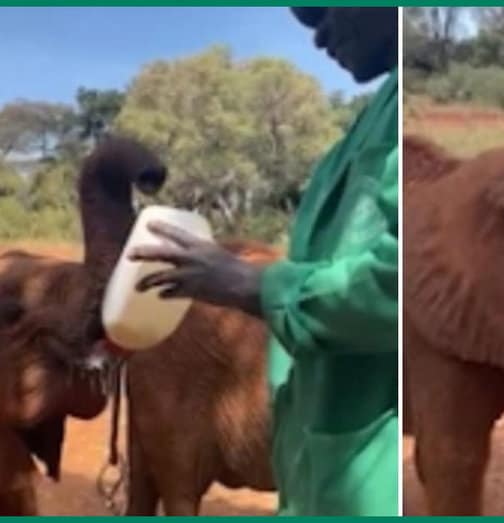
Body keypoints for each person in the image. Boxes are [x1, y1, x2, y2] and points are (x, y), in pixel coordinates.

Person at [128, 7, 399, 516]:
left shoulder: (400, 118)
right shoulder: (365, 127)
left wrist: (251, 285)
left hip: (367, 482)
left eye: (321, 12)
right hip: (319, 467)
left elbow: (399, 283)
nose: (318, 37)